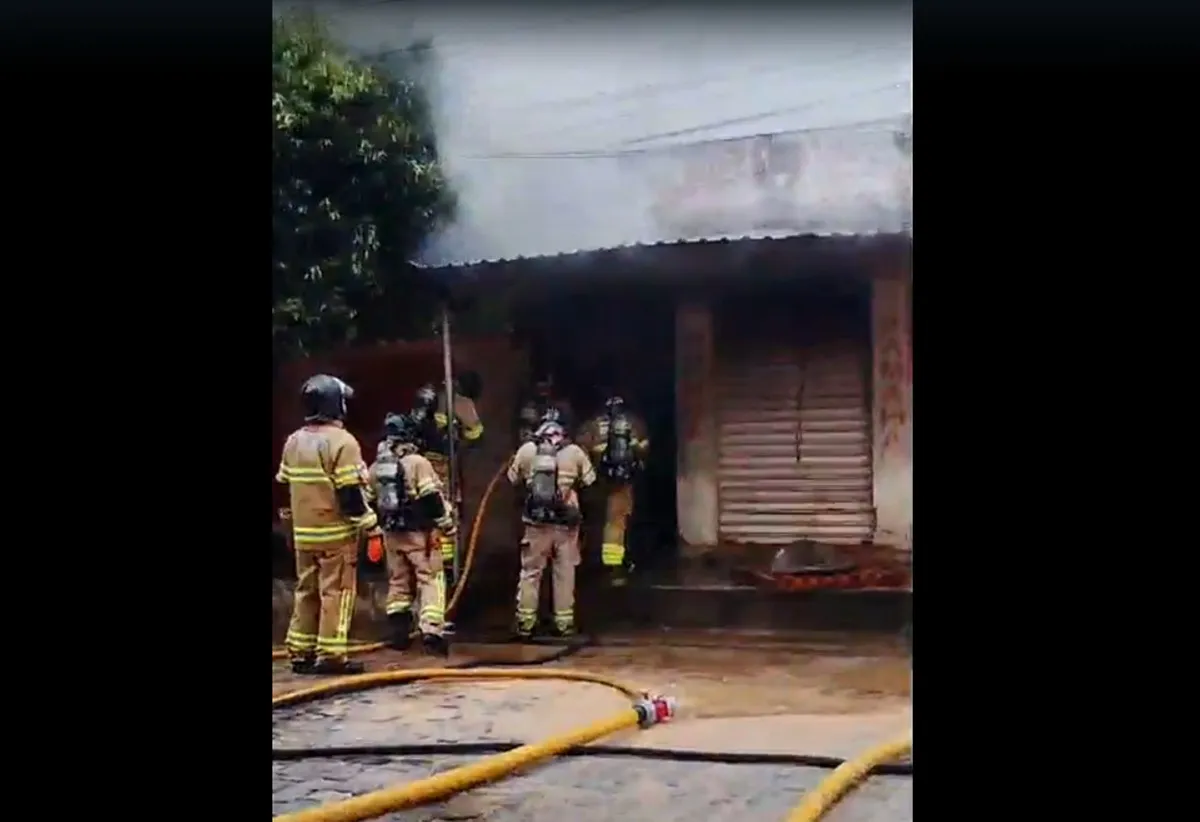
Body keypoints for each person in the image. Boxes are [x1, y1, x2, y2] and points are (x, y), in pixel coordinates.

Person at [276, 374, 380, 675]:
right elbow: (350, 494)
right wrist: (371, 526)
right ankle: (332, 655)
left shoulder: (293, 441)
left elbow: (287, 482)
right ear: (335, 404)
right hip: (336, 535)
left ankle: (300, 652)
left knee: (306, 589)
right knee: (335, 592)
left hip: (303, 535)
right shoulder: (343, 442)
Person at [367, 412, 456, 657]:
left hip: (391, 534)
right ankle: (431, 633)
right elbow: (430, 498)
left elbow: (369, 501)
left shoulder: (376, 468)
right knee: (431, 578)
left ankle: (398, 634)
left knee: (398, 580)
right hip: (420, 534)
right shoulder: (417, 463)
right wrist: (447, 524)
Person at [506, 418, 596, 639]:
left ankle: (525, 623)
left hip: (536, 523)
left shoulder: (527, 450)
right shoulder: (574, 451)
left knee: (530, 573)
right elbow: (590, 481)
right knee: (565, 572)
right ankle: (564, 624)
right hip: (566, 524)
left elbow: (511, 479)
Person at [576, 394, 650, 586]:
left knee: (594, 519)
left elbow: (579, 448)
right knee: (618, 521)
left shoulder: (592, 425)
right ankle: (614, 566)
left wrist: (586, 474)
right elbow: (644, 448)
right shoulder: (633, 422)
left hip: (597, 479)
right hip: (623, 480)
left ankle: (597, 560)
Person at [414, 378, 484, 579]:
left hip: (417, 463)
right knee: (445, 509)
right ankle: (445, 568)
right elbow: (476, 434)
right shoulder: (461, 402)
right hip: (444, 464)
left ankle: (424, 560)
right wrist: (465, 442)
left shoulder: (426, 400)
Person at [517, 373, 574, 444]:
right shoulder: (529, 409)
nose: (543, 393)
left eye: (545, 389)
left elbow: (569, 433)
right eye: (540, 389)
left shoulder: (562, 408)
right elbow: (524, 437)